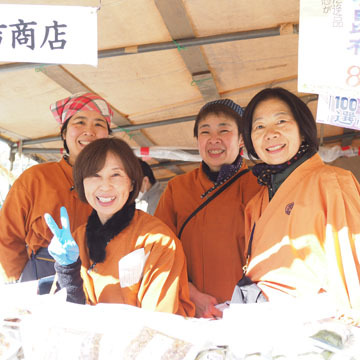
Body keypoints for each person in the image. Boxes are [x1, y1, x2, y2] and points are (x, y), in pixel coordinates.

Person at [44, 137, 195, 316]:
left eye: (116, 175)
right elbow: (65, 314)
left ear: (131, 183)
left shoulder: (158, 240)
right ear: (82, 183)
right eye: (94, 175)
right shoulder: (77, 239)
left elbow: (158, 323)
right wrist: (67, 270)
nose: (105, 186)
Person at [239, 87, 360, 309]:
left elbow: (353, 262)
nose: (270, 133)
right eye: (259, 126)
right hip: (262, 322)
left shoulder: (333, 182)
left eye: (281, 122)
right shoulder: (255, 204)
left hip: (319, 324)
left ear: (302, 130)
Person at [155, 99, 261, 318]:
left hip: (246, 313)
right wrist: (192, 293)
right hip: (190, 310)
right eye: (205, 132)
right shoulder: (178, 188)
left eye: (224, 130)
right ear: (197, 140)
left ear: (241, 138)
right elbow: (159, 251)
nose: (214, 140)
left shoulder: (259, 185)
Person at [0, 92, 112, 283]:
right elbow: (7, 237)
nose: (89, 131)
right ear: (64, 132)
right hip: (41, 280)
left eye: (99, 124)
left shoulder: (114, 183)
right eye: (80, 122)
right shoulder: (36, 178)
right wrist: (18, 282)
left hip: (100, 280)